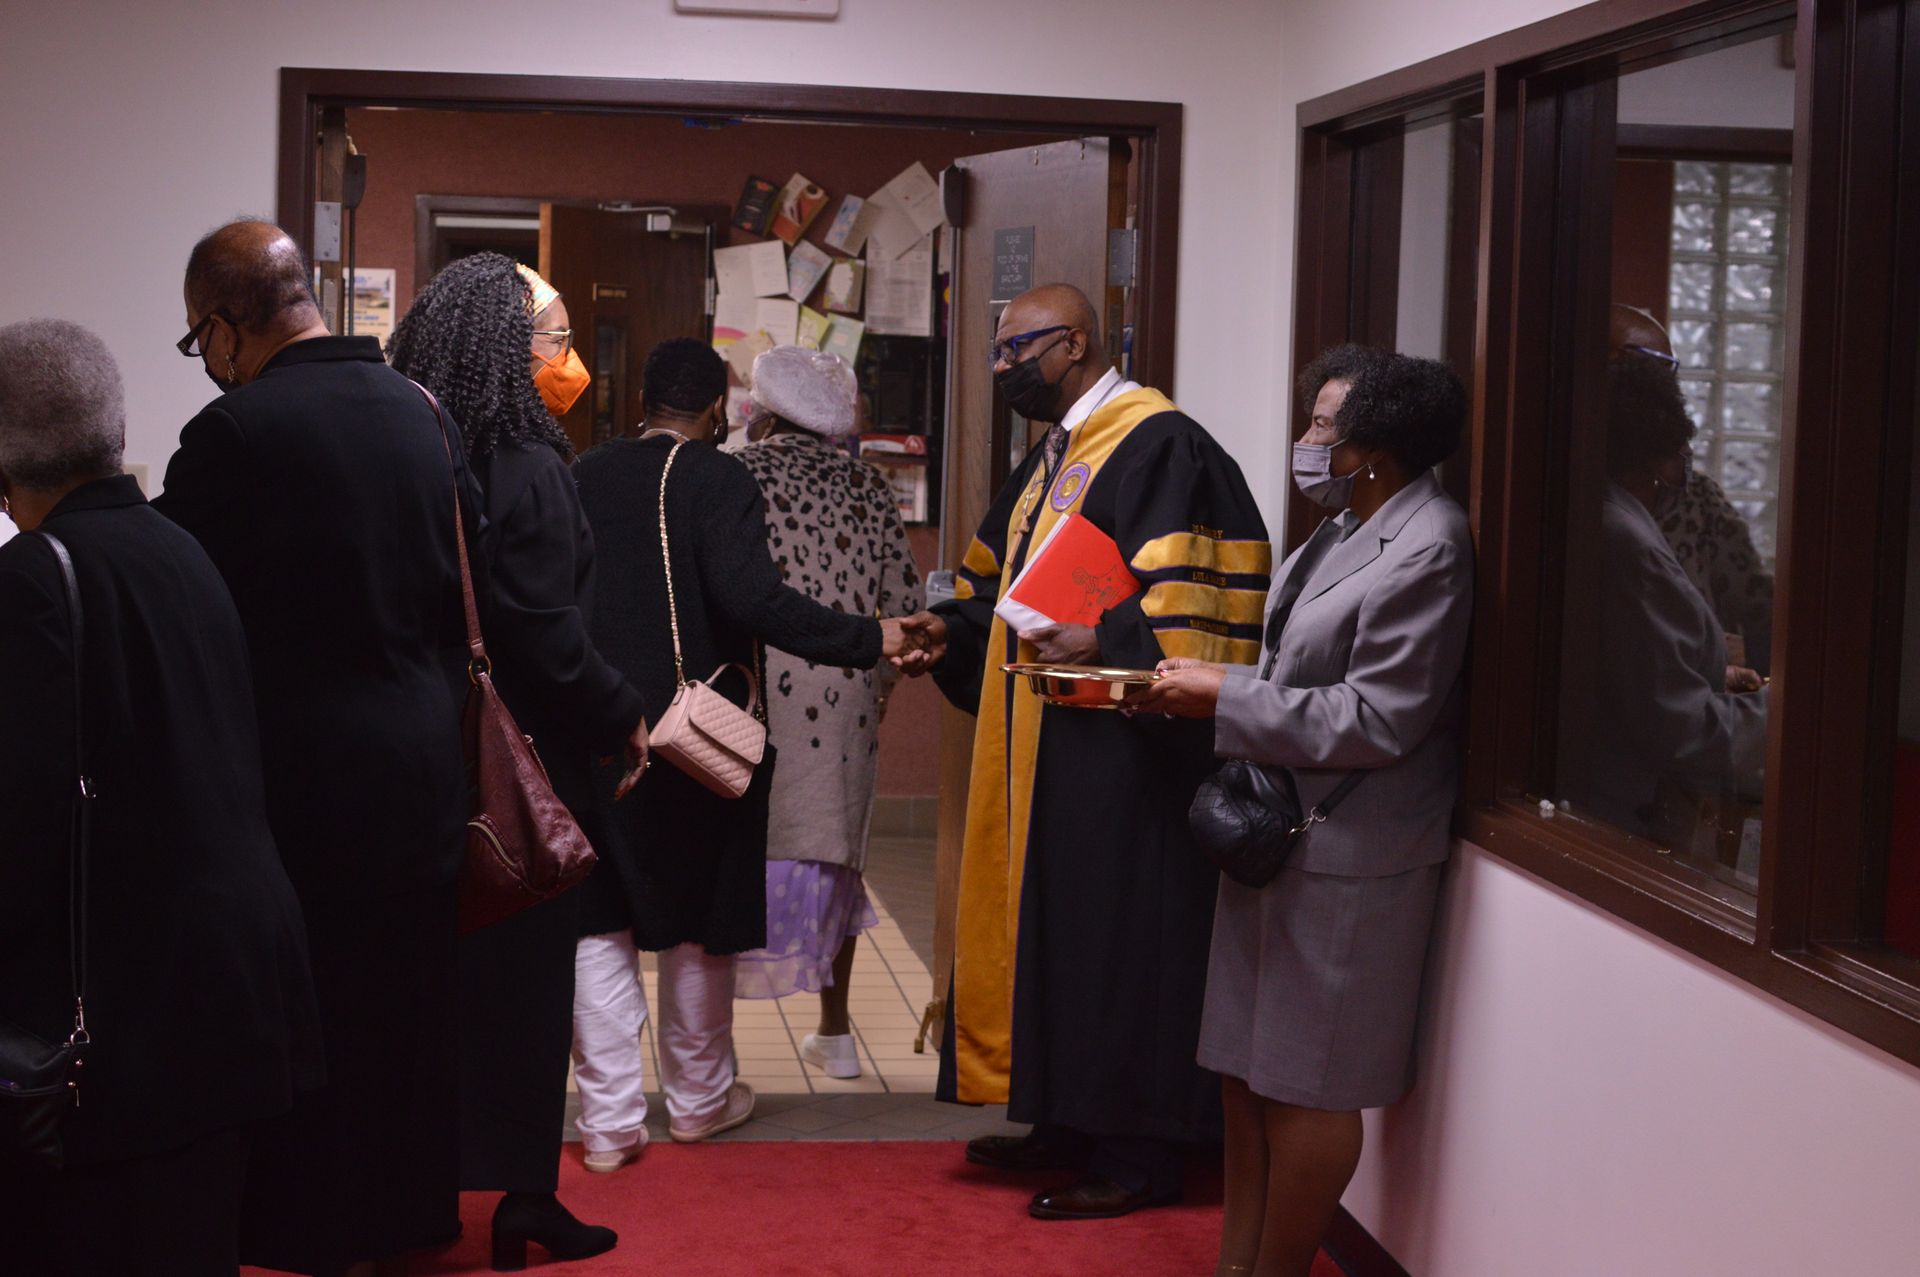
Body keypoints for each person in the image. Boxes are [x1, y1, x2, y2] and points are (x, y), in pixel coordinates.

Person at [895, 283, 1271, 1220]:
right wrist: (953, 630)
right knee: (1061, 932)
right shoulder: (1059, 451)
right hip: (1052, 744)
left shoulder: (1161, 443)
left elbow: (1201, 611)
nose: (1003, 367)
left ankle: (1138, 1152)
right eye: (997, 350)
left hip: (1128, 759)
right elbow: (1007, 589)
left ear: (1073, 343)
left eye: (1015, 348)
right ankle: (1064, 1118)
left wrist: (1106, 638)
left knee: (1120, 941)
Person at [155, 219, 474, 1275]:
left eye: (198, 338)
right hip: (426, 755)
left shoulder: (235, 433)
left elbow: (176, 589)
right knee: (410, 1005)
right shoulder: (422, 410)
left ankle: (319, 1232)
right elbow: (463, 575)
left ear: (224, 325)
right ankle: (411, 1214)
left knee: (317, 1007)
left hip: (307, 774)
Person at [1131, 347, 1475, 1277]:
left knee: (1308, 1087)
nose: (1310, 440)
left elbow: (1380, 717)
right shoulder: (1345, 526)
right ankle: (1235, 1266)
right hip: (1275, 836)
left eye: (1327, 426)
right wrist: (1216, 680)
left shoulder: (1430, 542)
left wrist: (1224, 697)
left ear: (1378, 446)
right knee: (1246, 1079)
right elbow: (1296, 670)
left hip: (1351, 851)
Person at [0, 319, 320, 1273]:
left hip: (124, 1016)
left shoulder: (33, 577)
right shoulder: (178, 548)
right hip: (229, 984)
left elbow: (22, 820)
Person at [569, 338, 917, 1162]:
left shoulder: (581, 474)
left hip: (597, 729)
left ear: (641, 403)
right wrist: (870, 637)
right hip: (698, 741)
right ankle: (698, 1101)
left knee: (600, 922)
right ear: (718, 411)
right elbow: (753, 599)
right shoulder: (717, 478)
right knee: (698, 918)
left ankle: (609, 1124)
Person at [386, 254, 649, 1268]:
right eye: (556, 338)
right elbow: (547, 633)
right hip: (524, 763)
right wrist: (622, 713)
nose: (570, 360)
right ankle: (525, 1200)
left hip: (425, 751)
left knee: (431, 991)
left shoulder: (417, 447)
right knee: (530, 989)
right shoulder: (532, 465)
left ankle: (421, 1194)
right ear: (505, 347)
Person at [730, 346, 925, 1077]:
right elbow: (905, 604)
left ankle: (712, 1044)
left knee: (738, 852)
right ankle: (836, 1034)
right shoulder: (869, 485)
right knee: (837, 852)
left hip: (752, 694)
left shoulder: (734, 474)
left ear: (763, 412)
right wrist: (882, 680)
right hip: (846, 696)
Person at [1564, 320, 1768, 853]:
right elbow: (1679, 730)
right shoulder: (1623, 537)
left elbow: (1640, 660)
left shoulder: (1598, 505)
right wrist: (1787, 714)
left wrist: (1712, 672)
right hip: (1624, 815)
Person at [1613, 305, 1775, 675]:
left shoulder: (1696, 497)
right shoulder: (1564, 499)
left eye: (1669, 370)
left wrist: (1750, 652)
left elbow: (1758, 604)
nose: (1663, 386)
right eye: (1648, 366)